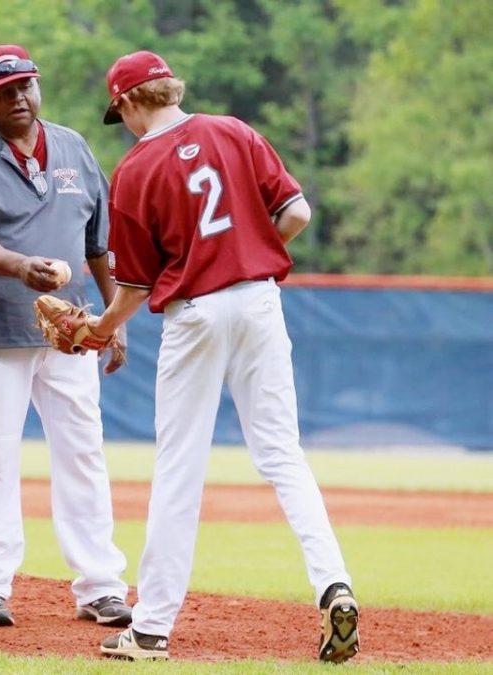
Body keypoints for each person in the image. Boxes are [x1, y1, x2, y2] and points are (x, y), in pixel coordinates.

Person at [90, 51, 359, 662]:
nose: (123, 122)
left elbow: (133, 286)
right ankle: (334, 584)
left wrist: (100, 330)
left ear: (131, 101)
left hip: (197, 314)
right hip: (260, 301)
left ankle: (152, 628)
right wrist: (252, 245)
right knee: (283, 455)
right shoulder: (233, 131)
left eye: (120, 112)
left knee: (180, 468)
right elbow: (297, 212)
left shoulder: (133, 171)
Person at [0, 44, 132, 629]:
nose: (19, 97)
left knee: (83, 451)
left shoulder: (72, 145)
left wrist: (114, 319)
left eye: (26, 85)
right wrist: (21, 267)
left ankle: (100, 585)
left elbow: (99, 244)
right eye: (4, 91)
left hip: (71, 329)